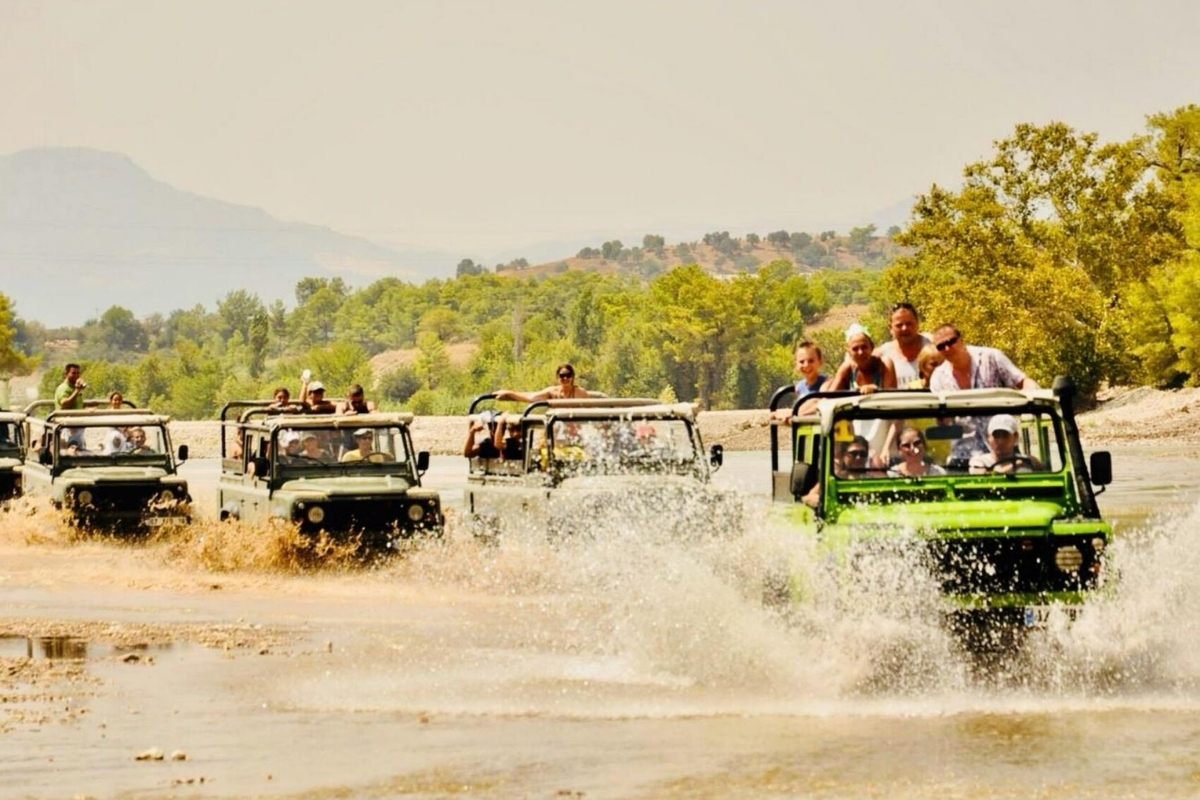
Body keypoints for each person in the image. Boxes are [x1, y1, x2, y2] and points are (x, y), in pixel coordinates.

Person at [928, 324, 1040, 392]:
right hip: (960, 426)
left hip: (999, 423)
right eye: (941, 346)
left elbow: (1023, 381)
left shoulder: (992, 357)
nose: (947, 348)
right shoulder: (938, 378)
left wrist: (1031, 394)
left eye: (950, 341)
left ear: (961, 340)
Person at [827, 324, 897, 395]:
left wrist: (875, 389)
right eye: (855, 349)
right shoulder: (848, 368)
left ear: (872, 347)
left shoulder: (884, 364)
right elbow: (830, 395)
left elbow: (891, 395)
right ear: (849, 352)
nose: (860, 352)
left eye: (864, 347)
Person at [875, 302, 932, 389]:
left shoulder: (933, 346)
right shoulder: (882, 355)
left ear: (917, 323)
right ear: (890, 327)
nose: (904, 328)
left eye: (909, 324)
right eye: (899, 325)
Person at [969, 414, 1042, 474]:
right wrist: (1017, 463)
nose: (1001, 441)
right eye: (996, 435)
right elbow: (982, 475)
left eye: (1005, 435)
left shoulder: (1027, 461)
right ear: (988, 437)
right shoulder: (980, 461)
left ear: (1015, 437)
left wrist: (1033, 461)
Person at [495, 364, 606, 403]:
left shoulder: (580, 393)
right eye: (562, 375)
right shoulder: (552, 392)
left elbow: (588, 412)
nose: (565, 378)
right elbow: (532, 398)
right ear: (558, 377)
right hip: (555, 427)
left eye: (568, 375)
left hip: (574, 429)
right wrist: (509, 393)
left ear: (572, 377)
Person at [774, 341, 828, 421]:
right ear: (796, 364)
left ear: (820, 361)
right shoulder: (799, 386)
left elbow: (822, 404)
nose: (806, 365)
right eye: (801, 362)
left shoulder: (826, 383)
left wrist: (797, 414)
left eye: (811, 361)